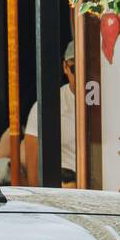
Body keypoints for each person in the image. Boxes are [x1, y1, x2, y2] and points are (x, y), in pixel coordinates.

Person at [19, 41, 78, 186]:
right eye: (75, 68)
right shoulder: (47, 106)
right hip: (65, 191)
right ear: (65, 67)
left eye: (90, 66)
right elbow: (33, 165)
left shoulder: (110, 101)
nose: (83, 74)